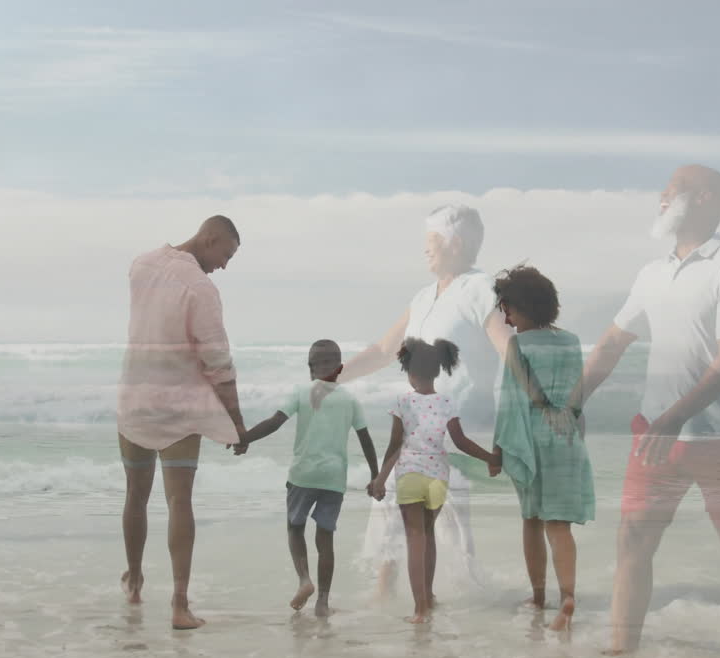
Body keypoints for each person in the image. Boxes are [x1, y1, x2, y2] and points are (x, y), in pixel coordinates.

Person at [573, 165, 720, 653]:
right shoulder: (652, 272)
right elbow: (612, 343)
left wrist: (676, 417)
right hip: (655, 432)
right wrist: (572, 403)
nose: (660, 202)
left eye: (669, 194)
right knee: (633, 539)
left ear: (702, 199)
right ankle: (621, 652)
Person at [342, 204, 513, 597]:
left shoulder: (481, 289)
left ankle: (453, 606)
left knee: (448, 526)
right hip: (418, 423)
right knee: (390, 508)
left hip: (459, 427)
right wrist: (333, 377)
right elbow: (386, 349)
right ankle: (385, 597)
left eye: (430, 241)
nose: (424, 250)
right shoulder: (423, 297)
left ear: (454, 243)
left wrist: (527, 404)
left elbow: (509, 350)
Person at [115, 215, 247, 630]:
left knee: (135, 495)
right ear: (210, 238)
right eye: (225, 254)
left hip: (135, 399)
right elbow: (218, 362)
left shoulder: (141, 265)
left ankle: (135, 580)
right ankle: (179, 605)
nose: (224, 265)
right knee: (179, 502)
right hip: (178, 408)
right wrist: (237, 422)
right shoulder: (201, 288)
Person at [232, 340, 379, 618]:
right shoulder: (350, 399)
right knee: (325, 539)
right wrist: (375, 475)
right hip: (334, 479)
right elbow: (366, 440)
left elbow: (274, 422)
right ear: (340, 369)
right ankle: (322, 602)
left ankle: (304, 579)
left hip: (303, 475)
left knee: (294, 527)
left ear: (310, 370)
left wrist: (244, 437)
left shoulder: (301, 392)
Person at [491, 265, 594, 632]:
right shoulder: (571, 341)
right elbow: (579, 393)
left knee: (532, 520)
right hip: (567, 438)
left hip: (532, 437)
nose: (506, 317)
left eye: (509, 309)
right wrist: (568, 417)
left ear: (524, 307)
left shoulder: (519, 344)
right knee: (559, 525)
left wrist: (498, 448)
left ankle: (538, 596)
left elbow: (518, 395)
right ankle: (567, 596)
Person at [369, 338, 501, 624]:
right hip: (439, 479)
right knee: (428, 539)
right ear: (436, 371)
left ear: (410, 373)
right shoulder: (447, 402)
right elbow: (461, 442)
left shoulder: (403, 401)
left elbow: (395, 445)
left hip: (411, 477)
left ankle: (420, 611)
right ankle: (427, 597)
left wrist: (380, 479)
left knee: (415, 540)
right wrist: (490, 457)